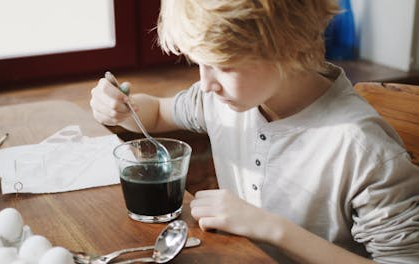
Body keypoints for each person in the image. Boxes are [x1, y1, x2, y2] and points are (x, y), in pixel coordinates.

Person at [89, 0, 419, 263]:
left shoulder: (362, 147)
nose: (206, 83)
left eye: (223, 65)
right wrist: (121, 108)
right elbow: (159, 112)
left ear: (289, 46)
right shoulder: (223, 100)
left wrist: (269, 227)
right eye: (199, 62)